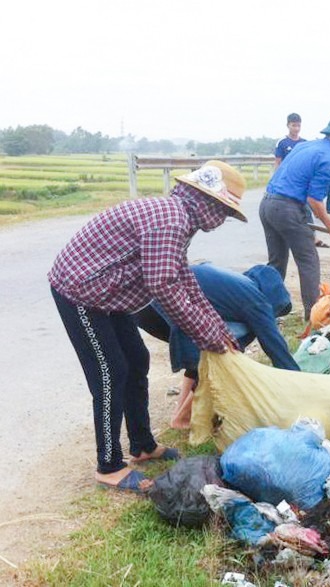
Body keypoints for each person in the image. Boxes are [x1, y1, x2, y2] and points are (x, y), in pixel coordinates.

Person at [48, 161, 247, 493]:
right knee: (111, 373)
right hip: (79, 291)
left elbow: (184, 279)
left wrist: (217, 329)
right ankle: (109, 467)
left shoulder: (181, 218)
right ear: (208, 201)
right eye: (225, 211)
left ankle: (142, 445)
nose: (223, 219)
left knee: (136, 360)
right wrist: (207, 337)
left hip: (107, 294)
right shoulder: (171, 219)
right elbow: (164, 286)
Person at [134, 263, 301, 429]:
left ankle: (179, 417)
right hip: (164, 303)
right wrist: (301, 385)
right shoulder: (258, 301)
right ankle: (183, 417)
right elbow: (278, 352)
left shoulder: (236, 284)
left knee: (206, 352)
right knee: (219, 358)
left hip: (143, 303)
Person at [260, 115, 330, 321]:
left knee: (276, 263)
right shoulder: (328, 159)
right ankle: (313, 316)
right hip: (286, 208)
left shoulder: (307, 146)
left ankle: (267, 313)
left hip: (268, 204)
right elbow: (314, 200)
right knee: (308, 260)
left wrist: (309, 223)